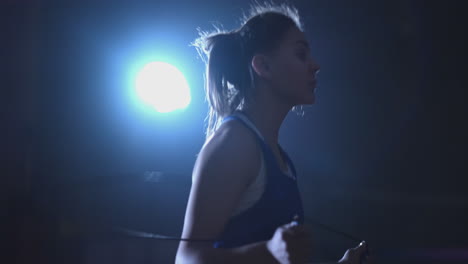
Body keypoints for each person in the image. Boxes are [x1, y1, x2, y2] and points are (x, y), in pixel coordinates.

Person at [175, 3, 374, 264]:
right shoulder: (235, 143)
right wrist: (268, 252)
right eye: (301, 54)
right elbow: (187, 260)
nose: (315, 65)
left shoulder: (280, 158)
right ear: (263, 66)